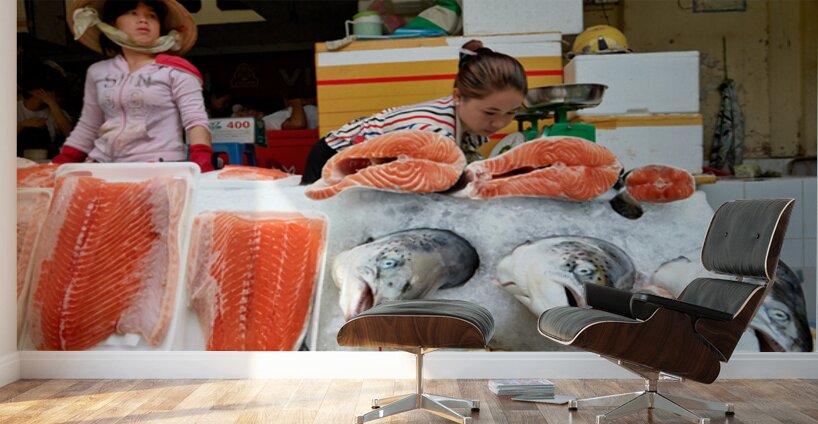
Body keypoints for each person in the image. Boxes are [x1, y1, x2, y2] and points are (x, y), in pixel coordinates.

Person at [300, 39, 527, 184]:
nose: (499, 123)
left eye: (511, 113)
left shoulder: (473, 120)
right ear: (457, 97)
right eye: (490, 113)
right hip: (334, 155)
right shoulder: (431, 131)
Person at [52, 0, 214, 172]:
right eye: (132, 13)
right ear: (112, 23)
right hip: (103, 166)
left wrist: (202, 156)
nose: (143, 20)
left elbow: (195, 120)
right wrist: (63, 160)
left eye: (151, 16)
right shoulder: (97, 72)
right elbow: (89, 125)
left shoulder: (176, 70)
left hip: (160, 167)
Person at [17, 63, 74, 158]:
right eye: (44, 90)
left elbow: (70, 135)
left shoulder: (56, 112)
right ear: (30, 90)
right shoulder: (13, 109)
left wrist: (53, 104)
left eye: (51, 90)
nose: (49, 93)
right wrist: (22, 125)